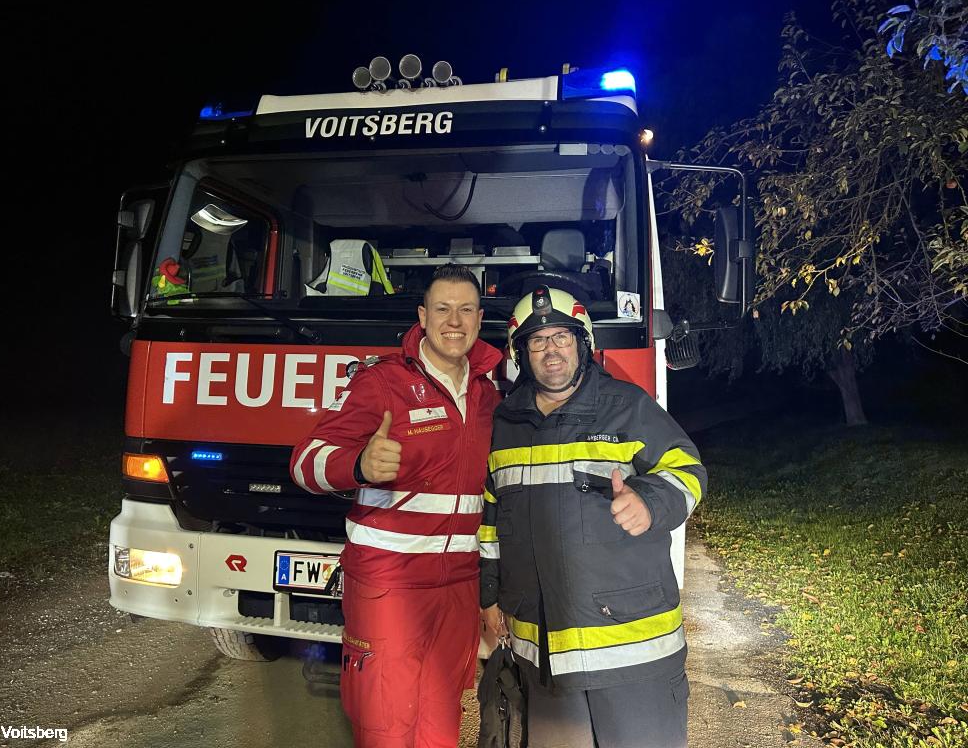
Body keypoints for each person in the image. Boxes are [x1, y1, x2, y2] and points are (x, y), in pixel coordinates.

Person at [479, 285, 707, 748]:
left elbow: (689, 470)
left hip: (631, 653)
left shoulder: (628, 406)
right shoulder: (506, 423)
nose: (551, 350)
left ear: (583, 344)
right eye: (537, 341)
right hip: (544, 655)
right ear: (521, 354)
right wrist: (488, 597)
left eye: (562, 337)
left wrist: (650, 502)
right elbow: (491, 523)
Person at [290, 264, 502, 748]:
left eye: (466, 310)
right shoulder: (382, 382)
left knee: (441, 726)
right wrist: (358, 465)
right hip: (391, 583)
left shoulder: (488, 393)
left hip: (459, 587)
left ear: (479, 318)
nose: (454, 321)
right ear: (422, 317)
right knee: (386, 726)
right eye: (443, 309)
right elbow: (304, 462)